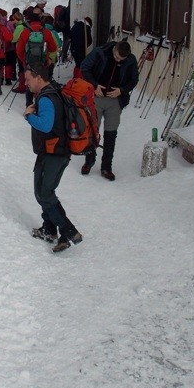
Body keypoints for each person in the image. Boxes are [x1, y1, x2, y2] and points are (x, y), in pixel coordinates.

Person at [24, 62, 82, 253]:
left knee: (44, 193)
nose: (27, 83)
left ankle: (68, 231)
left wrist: (29, 116)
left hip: (54, 153)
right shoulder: (52, 91)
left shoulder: (47, 99)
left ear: (39, 78)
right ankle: (49, 230)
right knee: (43, 192)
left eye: (28, 79)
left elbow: (46, 125)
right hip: (54, 152)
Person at [79, 40, 139, 181]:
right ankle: (89, 161)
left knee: (111, 134)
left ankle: (106, 167)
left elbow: (134, 79)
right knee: (93, 131)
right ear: (114, 49)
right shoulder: (100, 52)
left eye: (121, 60)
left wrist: (122, 90)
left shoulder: (130, 60)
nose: (118, 61)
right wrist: (94, 85)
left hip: (115, 101)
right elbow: (84, 67)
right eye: (117, 57)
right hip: (96, 97)